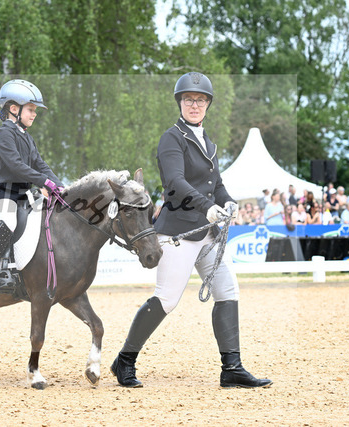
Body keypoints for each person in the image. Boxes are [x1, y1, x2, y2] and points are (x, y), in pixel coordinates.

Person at [110, 72, 271, 389]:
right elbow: (175, 181)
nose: (194, 105)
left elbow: (216, 184)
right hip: (178, 232)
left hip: (208, 233)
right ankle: (124, 361)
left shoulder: (208, 142)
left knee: (228, 292)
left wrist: (227, 201)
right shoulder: (172, 138)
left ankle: (232, 368)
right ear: (180, 103)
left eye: (200, 100)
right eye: (188, 99)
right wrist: (206, 206)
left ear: (208, 104)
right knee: (167, 299)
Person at [0, 79, 63, 293]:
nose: (34, 114)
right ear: (14, 109)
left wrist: (60, 186)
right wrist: (44, 181)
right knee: (9, 221)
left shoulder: (27, 137)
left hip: (23, 194)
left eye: (35, 111)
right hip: (3, 193)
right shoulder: (3, 134)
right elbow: (16, 166)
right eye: (31, 110)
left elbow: (40, 165)